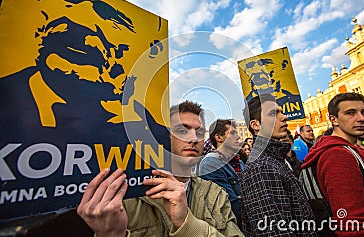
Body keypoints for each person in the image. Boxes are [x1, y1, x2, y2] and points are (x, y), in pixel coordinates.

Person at [77, 101, 244, 237]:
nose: (193, 138)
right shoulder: (128, 196)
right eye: (182, 130)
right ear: (164, 136)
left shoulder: (215, 195)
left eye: (199, 133)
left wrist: (187, 224)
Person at [303, 92, 364, 235]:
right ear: (333, 119)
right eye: (350, 113)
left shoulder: (352, 149)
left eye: (363, 112)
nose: (361, 119)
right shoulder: (337, 155)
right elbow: (351, 223)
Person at [240, 94, 316, 236]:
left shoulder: (275, 159)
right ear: (255, 125)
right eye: (273, 114)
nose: (284, 117)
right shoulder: (260, 168)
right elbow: (274, 231)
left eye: (281, 112)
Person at [199, 119, 244, 228]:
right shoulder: (210, 164)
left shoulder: (240, 162)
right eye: (232, 133)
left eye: (237, 133)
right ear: (219, 138)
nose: (238, 137)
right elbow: (230, 205)